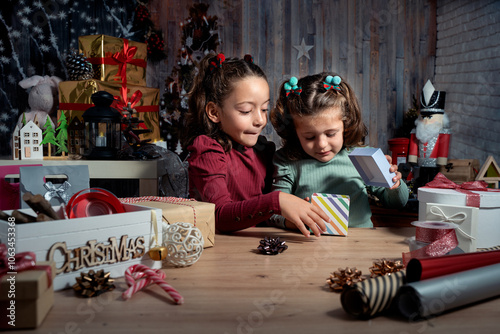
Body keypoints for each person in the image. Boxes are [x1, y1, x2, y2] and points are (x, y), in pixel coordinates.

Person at [183, 53, 330, 237]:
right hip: (220, 252)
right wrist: (278, 201)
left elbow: (263, 214)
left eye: (263, 109)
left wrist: (288, 218)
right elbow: (220, 216)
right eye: (246, 111)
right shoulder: (207, 150)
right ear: (214, 112)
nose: (260, 120)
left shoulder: (263, 151)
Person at [270, 73, 409, 228]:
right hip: (309, 246)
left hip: (360, 247)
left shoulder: (362, 157)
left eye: (330, 134)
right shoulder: (287, 162)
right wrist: (292, 221)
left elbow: (398, 202)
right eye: (309, 137)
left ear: (346, 125)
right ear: (295, 132)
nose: (322, 144)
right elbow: (273, 212)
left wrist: (393, 183)